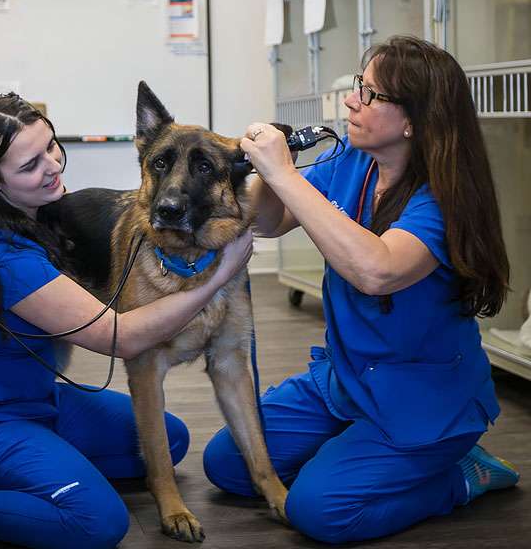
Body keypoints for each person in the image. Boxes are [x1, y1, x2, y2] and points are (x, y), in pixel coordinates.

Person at [203, 35, 518, 543]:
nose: (351, 100)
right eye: (358, 86)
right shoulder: (354, 159)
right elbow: (268, 221)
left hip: (419, 397)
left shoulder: (441, 199)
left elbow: (377, 271)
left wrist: (285, 171)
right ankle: (362, 453)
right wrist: (264, 171)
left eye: (370, 94)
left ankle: (463, 474)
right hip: (347, 379)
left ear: (414, 118)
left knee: (319, 512)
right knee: (230, 465)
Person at [0, 92, 255, 549]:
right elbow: (122, 337)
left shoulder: (40, 218)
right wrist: (219, 276)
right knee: (96, 522)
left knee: (170, 440)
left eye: (51, 147)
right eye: (31, 164)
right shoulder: (2, 257)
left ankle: (38, 469)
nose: (53, 165)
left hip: (38, 402)